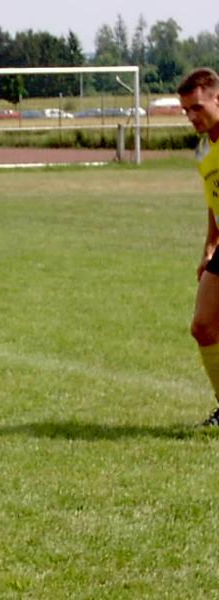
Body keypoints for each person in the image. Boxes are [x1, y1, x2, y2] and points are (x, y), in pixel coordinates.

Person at [178, 68, 219, 425]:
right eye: (186, 110)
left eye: (197, 107)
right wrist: (210, 245)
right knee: (203, 326)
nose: (192, 116)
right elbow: (213, 203)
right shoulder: (204, 150)